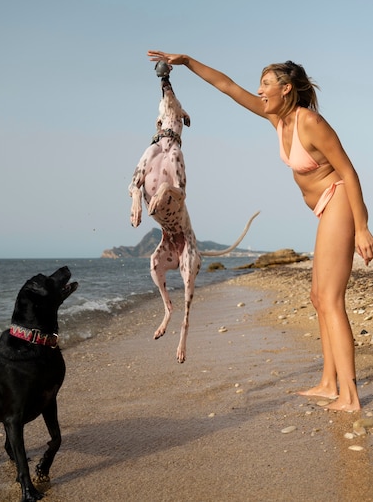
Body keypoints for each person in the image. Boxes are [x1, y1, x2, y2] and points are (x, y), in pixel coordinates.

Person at [147, 49, 373, 412]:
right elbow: (227, 87)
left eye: (266, 84)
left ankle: (350, 396)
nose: (259, 90)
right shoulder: (277, 120)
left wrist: (363, 228)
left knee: (330, 300)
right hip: (325, 208)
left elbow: (349, 171)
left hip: (339, 200)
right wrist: (187, 63)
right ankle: (330, 383)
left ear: (286, 89)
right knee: (318, 298)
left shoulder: (309, 122)